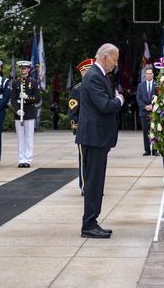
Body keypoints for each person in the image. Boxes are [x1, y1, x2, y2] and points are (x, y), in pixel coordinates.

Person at [76, 43, 124, 238]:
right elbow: (105, 105)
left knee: (97, 182)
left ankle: (92, 220)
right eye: (115, 59)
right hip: (94, 138)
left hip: (98, 138)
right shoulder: (94, 76)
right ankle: (88, 224)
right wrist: (119, 100)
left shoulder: (99, 75)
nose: (116, 63)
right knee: (94, 183)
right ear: (104, 57)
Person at [69, 58, 93, 194]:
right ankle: (85, 186)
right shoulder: (77, 89)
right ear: (83, 72)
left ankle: (94, 186)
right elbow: (73, 112)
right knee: (84, 160)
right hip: (83, 130)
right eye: (88, 71)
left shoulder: (95, 87)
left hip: (95, 129)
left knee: (94, 161)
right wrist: (76, 128)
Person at [11, 60, 41, 168]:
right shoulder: (15, 82)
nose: (22, 70)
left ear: (28, 69)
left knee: (29, 137)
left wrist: (27, 98)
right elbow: (13, 99)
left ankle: (27, 159)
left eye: (24, 68)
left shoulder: (33, 82)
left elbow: (37, 98)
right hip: (19, 112)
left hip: (29, 112)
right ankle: (21, 158)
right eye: (21, 68)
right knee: (20, 137)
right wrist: (17, 109)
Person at [137, 66, 156, 156]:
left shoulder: (157, 85)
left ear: (153, 74)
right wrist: (145, 107)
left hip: (155, 112)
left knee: (155, 131)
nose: (149, 75)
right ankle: (147, 150)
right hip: (144, 112)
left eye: (150, 73)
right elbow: (138, 98)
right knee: (145, 132)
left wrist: (153, 106)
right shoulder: (141, 85)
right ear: (145, 75)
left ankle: (155, 150)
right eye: (147, 74)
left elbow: (160, 98)